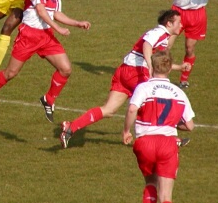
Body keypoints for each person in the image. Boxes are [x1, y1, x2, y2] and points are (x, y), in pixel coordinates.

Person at [59, 10, 191, 148]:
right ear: (169, 23)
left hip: (125, 71)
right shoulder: (159, 32)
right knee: (154, 104)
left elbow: (157, 60)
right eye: (178, 22)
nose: (181, 25)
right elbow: (147, 45)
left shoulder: (163, 36)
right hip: (137, 72)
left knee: (108, 109)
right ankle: (171, 139)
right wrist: (150, 66)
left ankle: (71, 128)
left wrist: (179, 67)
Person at [122, 51, 195, 203]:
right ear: (169, 70)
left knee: (150, 184)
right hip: (168, 144)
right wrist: (171, 122)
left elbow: (132, 109)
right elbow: (189, 125)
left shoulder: (143, 88)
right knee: (166, 196)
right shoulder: (179, 93)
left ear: (152, 67)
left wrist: (126, 131)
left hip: (145, 143)